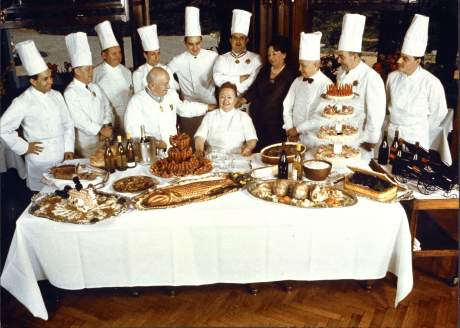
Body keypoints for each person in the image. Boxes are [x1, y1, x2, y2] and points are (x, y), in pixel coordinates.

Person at [0, 40, 75, 191]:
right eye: (45, 79)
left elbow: (68, 124)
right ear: (33, 81)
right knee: (45, 200)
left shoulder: (56, 96)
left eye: (50, 77)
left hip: (62, 157)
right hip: (40, 161)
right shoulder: (22, 101)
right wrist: (24, 147)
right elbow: (3, 128)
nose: (51, 82)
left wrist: (68, 149)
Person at [386, 14, 448, 149]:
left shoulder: (431, 83)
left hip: (416, 137)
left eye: (405, 58)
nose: (399, 61)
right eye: (400, 57)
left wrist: (419, 129)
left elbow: (439, 113)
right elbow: (388, 103)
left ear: (418, 61)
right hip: (392, 133)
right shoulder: (392, 77)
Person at [124, 67, 216, 148]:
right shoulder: (136, 101)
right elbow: (131, 129)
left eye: (168, 83)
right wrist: (155, 142)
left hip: (172, 147)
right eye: (165, 84)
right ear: (152, 85)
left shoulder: (171, 94)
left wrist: (207, 107)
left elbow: (184, 108)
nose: (168, 86)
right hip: (151, 150)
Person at [335, 13, 386, 151]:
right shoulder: (341, 72)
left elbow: (375, 114)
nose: (338, 60)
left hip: (360, 138)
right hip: (340, 133)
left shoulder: (371, 77)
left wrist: (369, 141)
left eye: (342, 57)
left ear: (355, 56)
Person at [237, 36, 297, 151]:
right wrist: (242, 100)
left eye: (274, 54)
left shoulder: (291, 75)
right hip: (257, 121)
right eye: (269, 54)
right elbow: (254, 88)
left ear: (284, 55)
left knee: (273, 153)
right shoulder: (264, 70)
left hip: (276, 124)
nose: (271, 58)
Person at [168, 7, 219, 139]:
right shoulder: (178, 60)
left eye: (197, 43)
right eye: (191, 44)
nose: (195, 48)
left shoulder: (213, 56)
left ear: (202, 40)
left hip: (211, 105)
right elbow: (165, 76)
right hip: (189, 110)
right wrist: (177, 89)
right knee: (190, 145)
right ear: (185, 42)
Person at [64, 32, 113, 158]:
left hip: (103, 138)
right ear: (77, 71)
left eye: (91, 68)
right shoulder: (71, 92)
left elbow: (107, 106)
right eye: (88, 69)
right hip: (85, 143)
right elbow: (79, 119)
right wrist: (99, 130)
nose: (92, 72)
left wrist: (106, 125)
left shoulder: (95, 86)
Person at [283, 32, 332, 145]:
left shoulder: (327, 85)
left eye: (303, 65)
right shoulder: (297, 81)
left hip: (316, 139)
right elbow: (287, 107)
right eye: (299, 64)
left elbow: (321, 116)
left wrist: (297, 129)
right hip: (294, 138)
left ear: (316, 65)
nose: (299, 69)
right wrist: (290, 129)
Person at [195, 82, 257, 156]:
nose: (225, 101)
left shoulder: (244, 117)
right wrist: (199, 150)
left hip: (237, 158)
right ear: (218, 98)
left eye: (229, 97)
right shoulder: (210, 115)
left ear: (236, 99)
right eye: (222, 97)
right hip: (213, 158)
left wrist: (248, 148)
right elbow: (200, 137)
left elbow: (252, 139)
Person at [93, 20, 132, 135]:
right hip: (106, 122)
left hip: (127, 118)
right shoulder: (95, 73)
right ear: (104, 55)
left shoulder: (126, 71)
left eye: (119, 52)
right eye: (114, 53)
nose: (118, 56)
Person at [213, 9, 262, 97]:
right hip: (227, 102)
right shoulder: (222, 58)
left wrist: (233, 88)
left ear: (247, 40)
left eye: (242, 38)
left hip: (247, 101)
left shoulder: (256, 58)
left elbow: (254, 80)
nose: (238, 41)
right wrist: (239, 78)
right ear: (230, 40)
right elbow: (217, 79)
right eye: (235, 38)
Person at [133, 24, 178, 93]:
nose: (156, 57)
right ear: (145, 55)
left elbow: (172, 91)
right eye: (153, 54)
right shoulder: (138, 74)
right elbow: (138, 96)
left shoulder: (166, 70)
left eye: (158, 53)